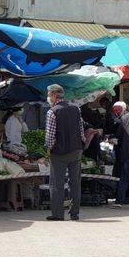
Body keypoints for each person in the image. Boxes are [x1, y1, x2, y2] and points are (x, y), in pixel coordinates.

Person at [45, 84, 85, 221]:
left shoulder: (52, 112)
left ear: (54, 96)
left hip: (59, 153)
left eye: (49, 95)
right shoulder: (76, 109)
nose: (49, 98)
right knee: (75, 183)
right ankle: (75, 213)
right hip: (76, 151)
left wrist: (49, 148)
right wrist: (81, 144)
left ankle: (57, 214)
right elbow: (81, 130)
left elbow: (50, 136)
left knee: (57, 184)